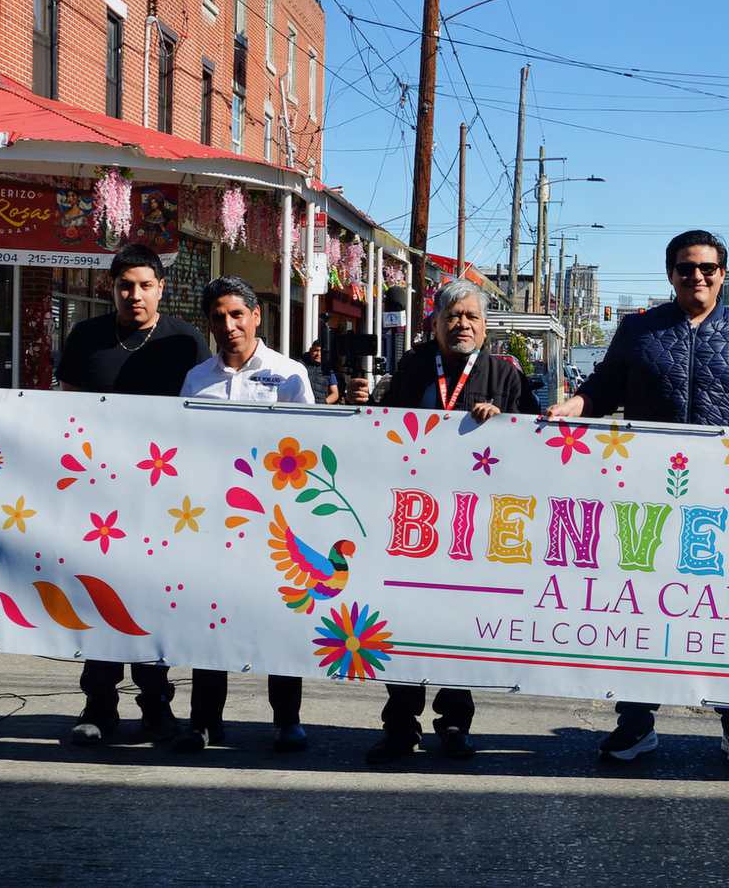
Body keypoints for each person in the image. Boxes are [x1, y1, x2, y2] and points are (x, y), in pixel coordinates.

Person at [545, 230, 729, 764]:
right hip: (649, 495)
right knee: (644, 610)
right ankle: (636, 723)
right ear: (670, 274)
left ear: (723, 274)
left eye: (708, 268)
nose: (698, 277)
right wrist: (576, 406)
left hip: (728, 493)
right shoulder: (640, 330)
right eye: (687, 268)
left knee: (727, 612)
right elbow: (605, 385)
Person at [344, 280, 525, 765]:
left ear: (485, 326)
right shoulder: (414, 366)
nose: (461, 325)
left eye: (471, 317)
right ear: (437, 323)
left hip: (473, 524)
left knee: (459, 627)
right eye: (453, 317)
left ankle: (454, 723)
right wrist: (364, 404)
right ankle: (400, 726)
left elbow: (531, 447)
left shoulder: (506, 375)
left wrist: (503, 421)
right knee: (401, 622)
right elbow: (385, 426)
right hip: (411, 519)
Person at [57, 243, 210, 747]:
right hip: (95, 496)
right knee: (98, 596)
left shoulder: (185, 341)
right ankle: (99, 707)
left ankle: (157, 710)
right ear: (112, 289)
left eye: (145, 285)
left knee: (148, 603)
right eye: (126, 286)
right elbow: (60, 412)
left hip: (161, 499)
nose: (135, 295)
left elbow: (204, 418)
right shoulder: (86, 337)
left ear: (161, 288)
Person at [176, 276, 314, 754]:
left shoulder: (290, 374)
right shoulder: (197, 379)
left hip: (274, 521)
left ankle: (287, 719)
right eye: (219, 316)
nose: (229, 325)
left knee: (279, 617)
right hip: (213, 518)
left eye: (238, 314)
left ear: (257, 315)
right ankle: (204, 720)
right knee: (209, 618)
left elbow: (311, 448)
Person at [303, 339, 340, 404]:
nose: (318, 354)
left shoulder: (328, 369)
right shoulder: (301, 366)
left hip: (319, 408)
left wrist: (323, 403)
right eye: (316, 350)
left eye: (321, 351)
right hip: (301, 406)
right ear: (310, 350)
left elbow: (335, 394)